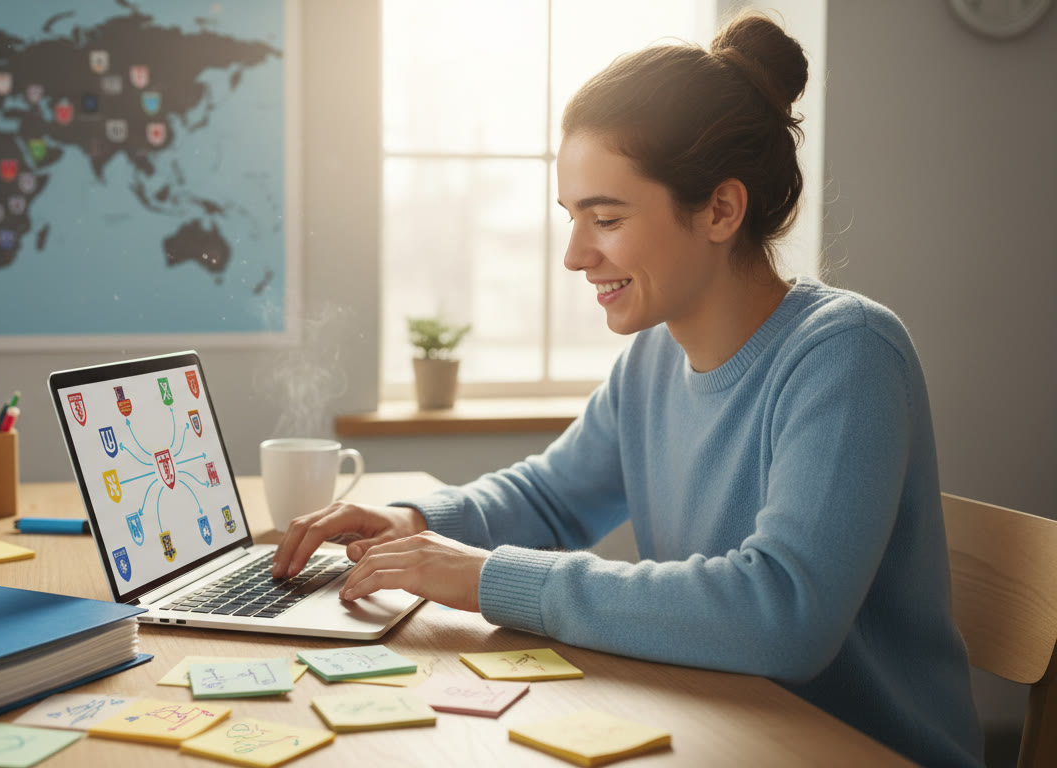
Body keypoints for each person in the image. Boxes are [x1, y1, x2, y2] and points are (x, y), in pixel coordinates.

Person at [272, 11, 983, 768]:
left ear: (720, 209)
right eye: (571, 216)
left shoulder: (846, 353)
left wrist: (486, 578)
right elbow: (553, 500)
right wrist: (408, 521)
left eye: (605, 217)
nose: (577, 255)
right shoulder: (652, 358)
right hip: (721, 729)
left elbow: (783, 614)